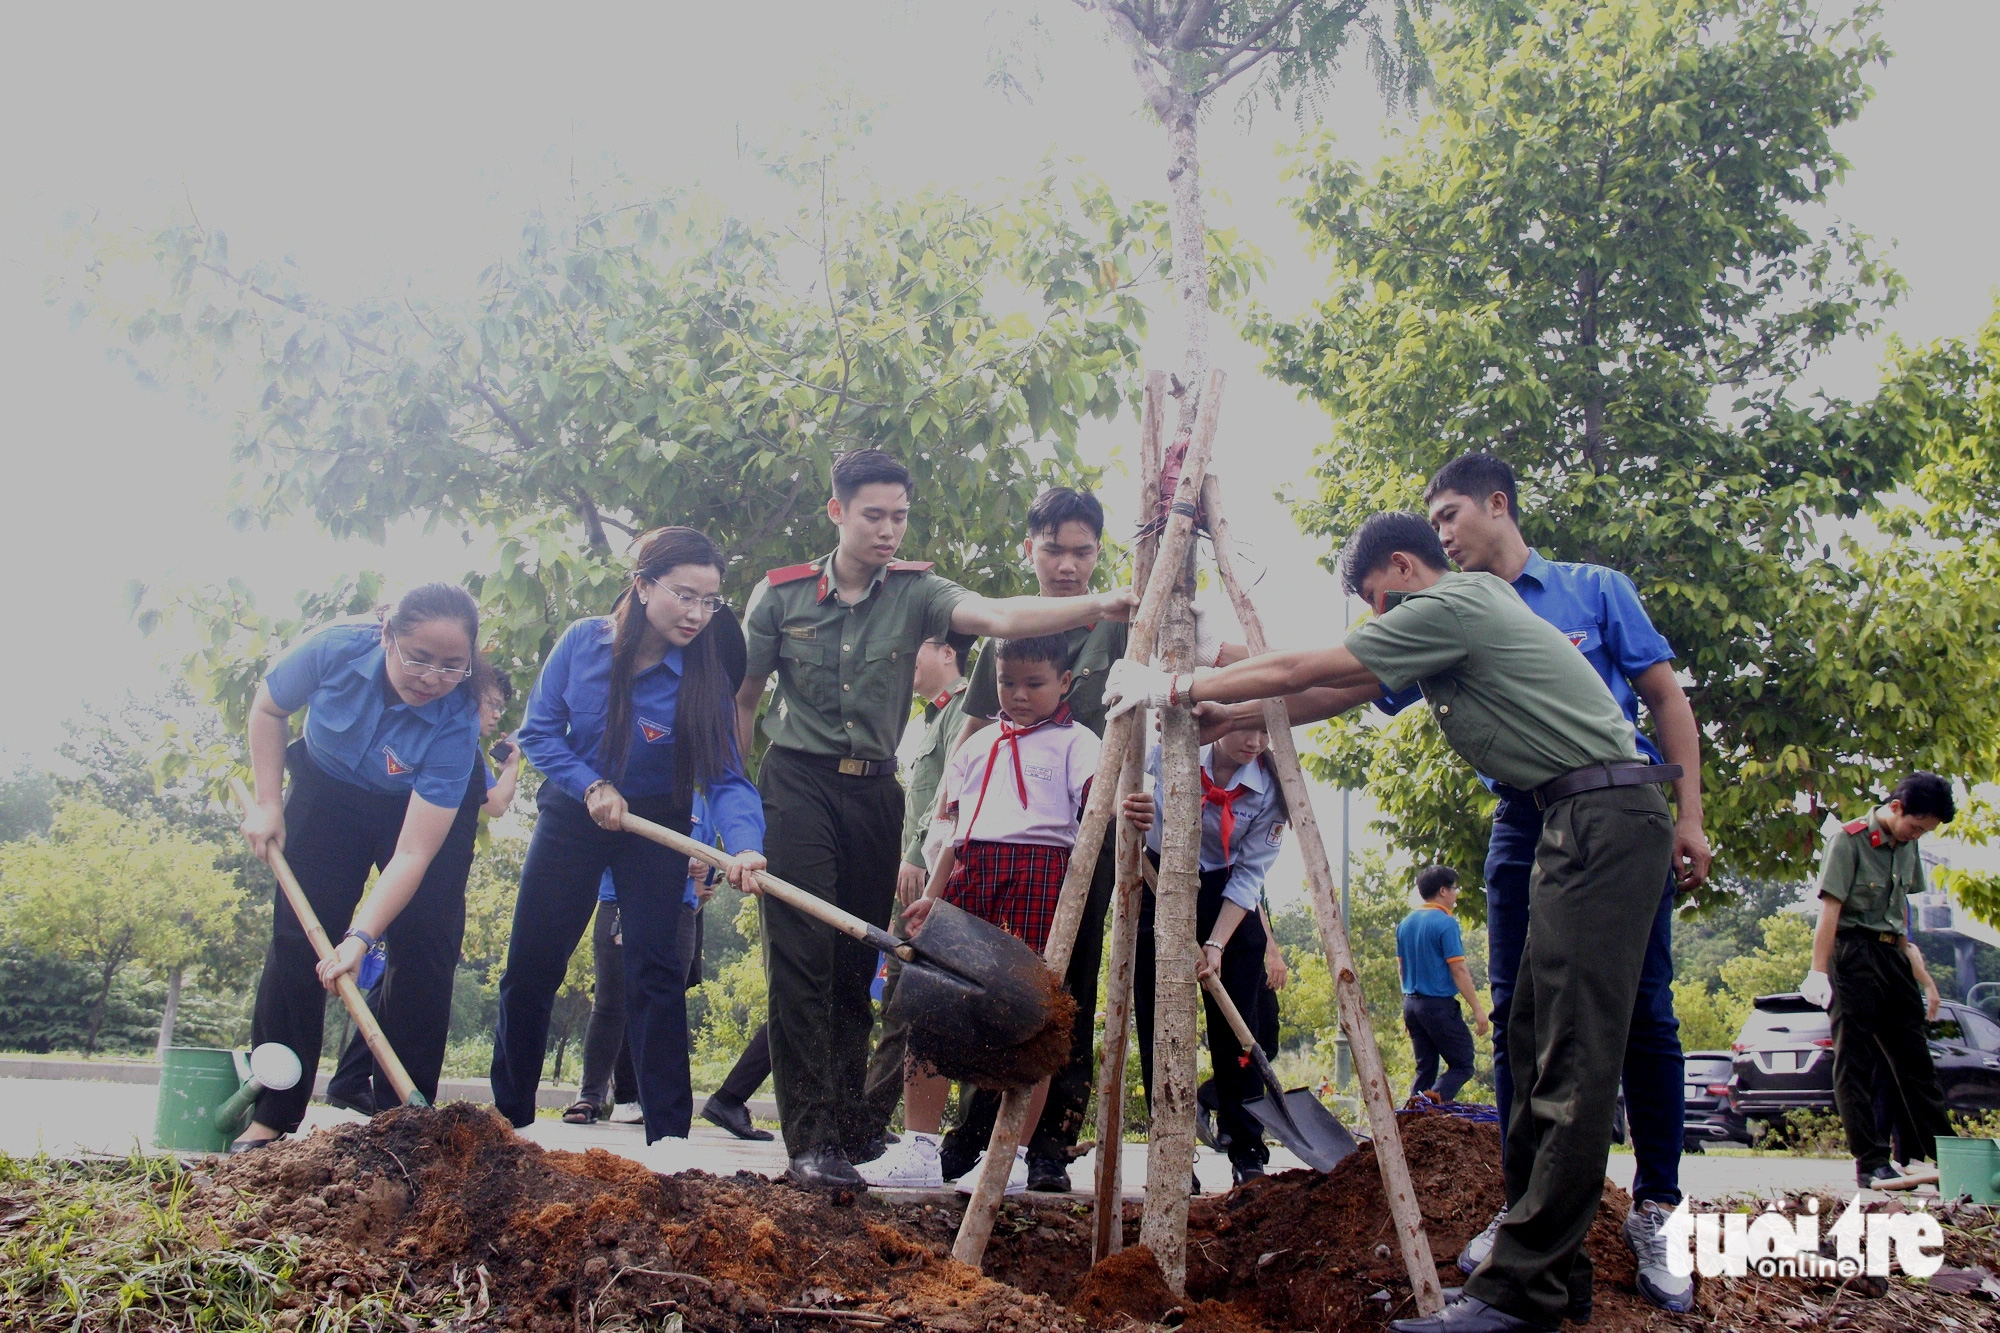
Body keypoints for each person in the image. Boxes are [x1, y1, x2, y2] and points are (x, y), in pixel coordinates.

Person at [1105, 512, 1678, 1333]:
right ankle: (1559, 1275)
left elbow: (1312, 661)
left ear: (1405, 568)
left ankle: (1523, 1298)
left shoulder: (1454, 605)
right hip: (1574, 820)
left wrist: (1179, 685)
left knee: (1573, 1056)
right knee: (1535, 1040)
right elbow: (1332, 691)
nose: (1379, 622)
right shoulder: (1451, 620)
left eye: (1378, 602)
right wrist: (1217, 707)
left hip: (1603, 818)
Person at [736, 453, 1134, 1189]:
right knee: (804, 961)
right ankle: (812, 1139)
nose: (888, 530)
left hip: (875, 793)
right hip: (796, 784)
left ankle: (853, 1134)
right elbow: (745, 698)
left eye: (899, 516)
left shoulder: (919, 592)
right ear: (837, 512)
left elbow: (1004, 616)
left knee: (861, 958)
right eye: (873, 515)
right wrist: (731, 812)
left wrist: (1098, 605)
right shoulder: (780, 596)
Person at [493, 526, 767, 1147]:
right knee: (532, 964)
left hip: (656, 825)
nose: (698, 614)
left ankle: (668, 1139)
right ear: (643, 586)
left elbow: (726, 777)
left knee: (655, 973)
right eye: (685, 595)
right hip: (573, 811)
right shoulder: (583, 644)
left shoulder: (706, 676)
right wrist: (591, 785)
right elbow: (538, 734)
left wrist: (745, 845)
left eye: (710, 601)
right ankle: (507, 1123)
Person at [939, 486, 1145, 1194]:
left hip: (1082, 839)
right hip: (1000, 849)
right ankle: (971, 1135)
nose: (1067, 564)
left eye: (1083, 551)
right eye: (1054, 548)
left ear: (1099, 555)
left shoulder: (1121, 622)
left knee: (1067, 988)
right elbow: (971, 732)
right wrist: (928, 839)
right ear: (1031, 548)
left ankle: (1050, 1143)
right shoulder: (1012, 626)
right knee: (987, 984)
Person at [234, 584, 489, 1149]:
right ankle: (273, 1113)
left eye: (452, 665)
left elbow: (414, 853)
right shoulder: (334, 647)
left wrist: (360, 937)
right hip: (327, 792)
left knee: (424, 942)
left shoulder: (456, 719)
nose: (431, 677)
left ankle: (402, 1126)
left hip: (419, 812)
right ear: (386, 635)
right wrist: (270, 801)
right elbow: (270, 707)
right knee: (298, 939)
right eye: (417, 657)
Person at [860, 634, 1101, 1190]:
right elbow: (952, 831)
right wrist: (933, 896)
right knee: (934, 1005)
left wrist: (1135, 801)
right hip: (970, 876)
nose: (1018, 695)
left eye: (1034, 684)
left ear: (1064, 683)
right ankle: (919, 1149)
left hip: (1039, 876)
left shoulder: (1080, 743)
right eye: (1007, 682)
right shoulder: (977, 744)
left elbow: (1100, 804)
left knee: (1030, 1015)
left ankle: (1010, 1158)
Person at [323, 657, 521, 1115]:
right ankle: (381, 1092)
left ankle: (353, 1079)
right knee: (418, 972)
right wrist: (514, 765)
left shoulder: (462, 748)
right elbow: (495, 805)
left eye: (499, 709)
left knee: (401, 977)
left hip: (432, 872)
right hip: (429, 874)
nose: (494, 716)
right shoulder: (459, 745)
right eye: (490, 704)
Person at [1120, 727, 1289, 1187]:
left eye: (1264, 730)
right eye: (1244, 727)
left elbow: (1251, 873)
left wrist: (1214, 943)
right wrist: (1131, 807)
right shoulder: (1169, 749)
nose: (1254, 742)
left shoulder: (1274, 787)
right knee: (1161, 1024)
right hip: (1161, 880)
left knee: (1237, 1033)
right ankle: (1170, 1154)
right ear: (1220, 715)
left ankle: (1247, 1148)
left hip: (1229, 897)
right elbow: (1118, 779)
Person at [1799, 772, 1955, 1189]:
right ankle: (1871, 1161)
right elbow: (1830, 910)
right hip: (1852, 953)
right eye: (1917, 826)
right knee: (1857, 1062)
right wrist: (1818, 970)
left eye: (1926, 832)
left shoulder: (1909, 846)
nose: (1917, 836)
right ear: (1897, 807)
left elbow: (1900, 917)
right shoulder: (1848, 841)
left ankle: (1946, 1157)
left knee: (1916, 1061)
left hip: (1891, 954)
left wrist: (1925, 980)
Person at [855, 630, 979, 1147]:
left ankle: (876, 1128)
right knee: (900, 1004)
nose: (904, 661)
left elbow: (953, 794)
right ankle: (869, 1125)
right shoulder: (928, 719)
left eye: (915, 650)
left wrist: (913, 857)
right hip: (913, 886)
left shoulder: (967, 707)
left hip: (940, 878)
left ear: (947, 652)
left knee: (916, 1007)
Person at [1396, 865, 1489, 1105]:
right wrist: (1478, 1009)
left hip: (1412, 1004)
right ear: (1443, 891)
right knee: (1463, 1063)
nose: (1456, 895)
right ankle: (1428, 1108)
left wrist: (1407, 1007)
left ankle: (1411, 1118)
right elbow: (1458, 969)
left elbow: (1401, 968)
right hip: (1437, 1005)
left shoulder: (1405, 923)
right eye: (1455, 889)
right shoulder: (1445, 923)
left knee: (1425, 1068)